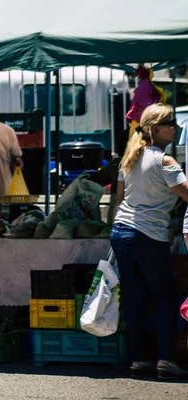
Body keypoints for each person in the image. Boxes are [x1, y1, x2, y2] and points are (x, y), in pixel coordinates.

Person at [111, 103, 188, 379]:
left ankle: (138, 359)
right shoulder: (165, 162)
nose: (175, 128)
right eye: (171, 123)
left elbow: (119, 199)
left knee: (134, 297)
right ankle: (165, 359)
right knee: (164, 297)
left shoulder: (130, 157)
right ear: (156, 129)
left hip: (122, 232)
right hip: (148, 236)